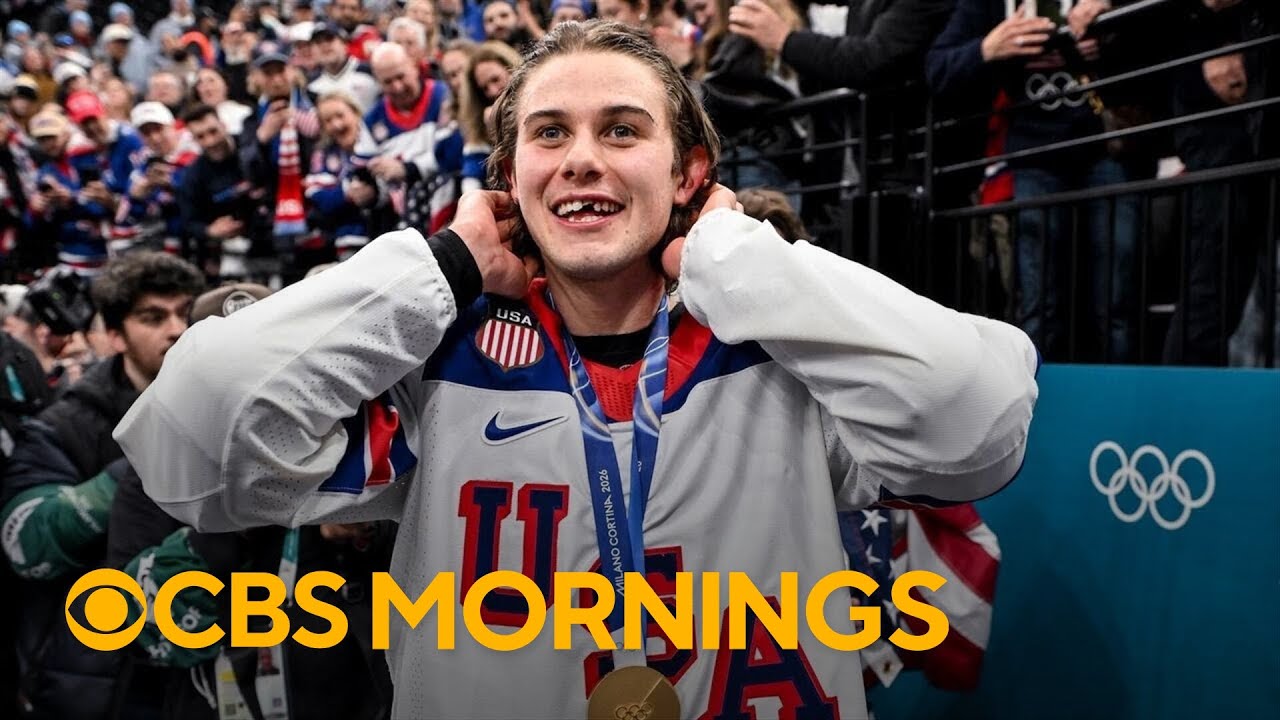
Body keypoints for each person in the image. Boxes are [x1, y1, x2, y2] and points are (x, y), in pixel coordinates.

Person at [117, 21, 1038, 719]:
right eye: (549, 134)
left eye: (623, 130)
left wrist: (733, 254)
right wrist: (439, 267)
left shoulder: (788, 346)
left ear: (689, 174)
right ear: (508, 179)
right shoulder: (436, 361)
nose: (583, 159)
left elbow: (978, 426)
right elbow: (190, 450)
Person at [2, 251, 204, 720]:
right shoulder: (64, 425)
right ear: (114, 335)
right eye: (153, 317)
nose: (176, 330)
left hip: (198, 673)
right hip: (94, 683)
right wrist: (146, 464)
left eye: (185, 314)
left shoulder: (229, 418)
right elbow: (26, 541)